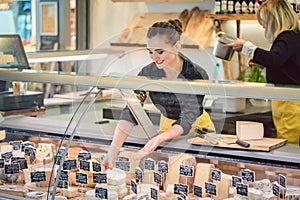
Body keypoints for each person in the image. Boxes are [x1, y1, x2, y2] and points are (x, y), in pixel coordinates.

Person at [103, 19, 215, 170]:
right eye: (150, 52)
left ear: (176, 46)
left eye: (160, 52)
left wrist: (159, 138)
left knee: (196, 175)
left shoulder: (195, 74)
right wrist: (114, 148)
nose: (154, 58)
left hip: (198, 132)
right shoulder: (148, 73)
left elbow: (187, 118)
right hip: (166, 130)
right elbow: (132, 110)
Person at [226, 0, 300, 145]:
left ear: (275, 19)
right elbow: (286, 66)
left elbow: (275, 59)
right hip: (286, 102)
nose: (263, 26)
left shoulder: (288, 37)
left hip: (290, 103)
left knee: (290, 146)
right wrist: (263, 64)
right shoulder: (293, 36)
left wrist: (247, 47)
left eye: (264, 22)